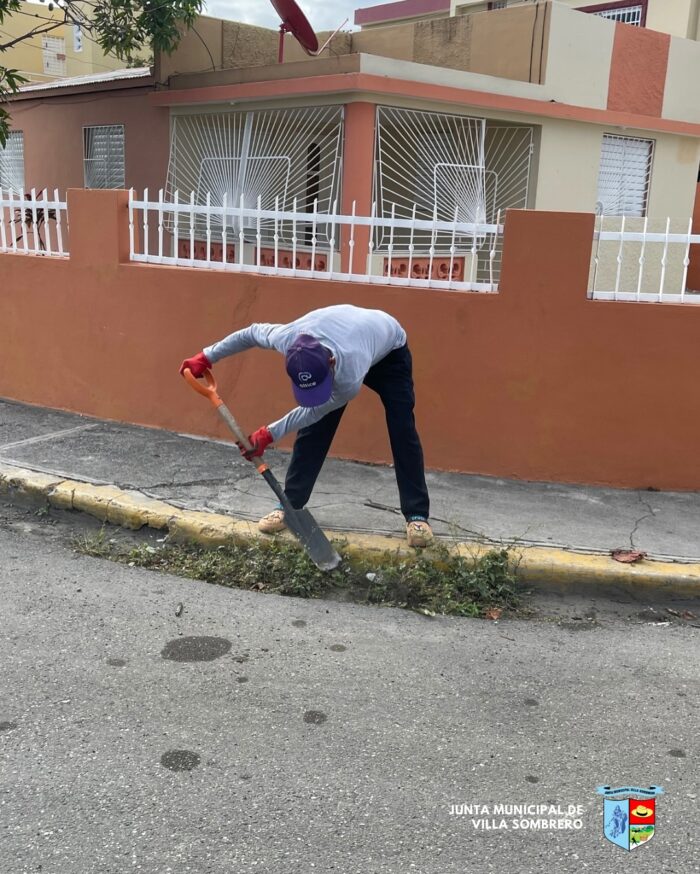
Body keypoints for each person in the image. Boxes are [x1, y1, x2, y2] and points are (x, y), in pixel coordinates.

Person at [180, 304, 433, 547]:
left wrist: (268, 434)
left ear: (331, 364)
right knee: (314, 432)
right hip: (347, 331)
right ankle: (291, 505)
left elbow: (313, 411)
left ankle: (416, 516)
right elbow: (251, 332)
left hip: (389, 350)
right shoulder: (288, 338)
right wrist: (206, 356)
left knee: (402, 427)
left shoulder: (349, 374)